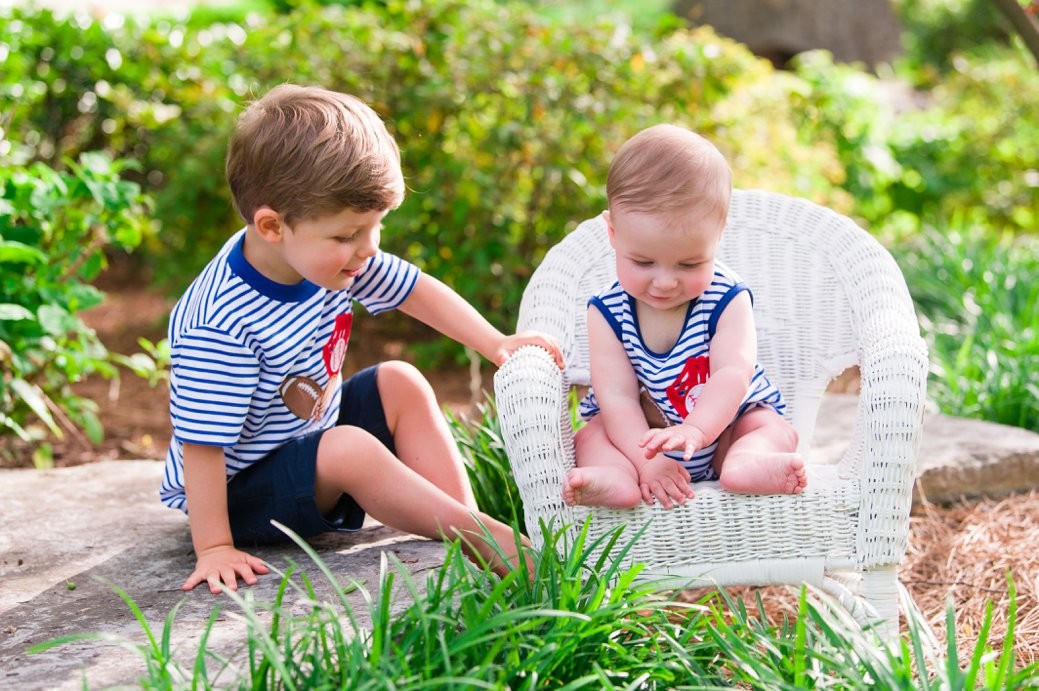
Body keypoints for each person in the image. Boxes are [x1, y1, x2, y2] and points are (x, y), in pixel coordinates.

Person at [160, 84, 563, 594]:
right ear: (272, 225)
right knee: (349, 448)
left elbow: (413, 290)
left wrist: (494, 342)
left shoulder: (319, 256)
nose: (368, 249)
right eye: (349, 234)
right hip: (242, 492)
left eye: (375, 228)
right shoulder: (219, 322)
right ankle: (483, 537)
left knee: (400, 381)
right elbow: (201, 443)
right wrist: (215, 546)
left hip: (305, 435)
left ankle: (462, 522)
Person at [562, 124, 806, 510]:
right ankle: (617, 476)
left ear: (718, 235)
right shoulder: (606, 312)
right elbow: (618, 397)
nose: (664, 282)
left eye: (690, 263)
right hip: (641, 438)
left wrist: (698, 429)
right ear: (612, 232)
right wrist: (647, 461)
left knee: (764, 426)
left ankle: (746, 463)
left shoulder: (727, 297)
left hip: (724, 425)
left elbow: (733, 374)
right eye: (642, 262)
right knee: (592, 434)